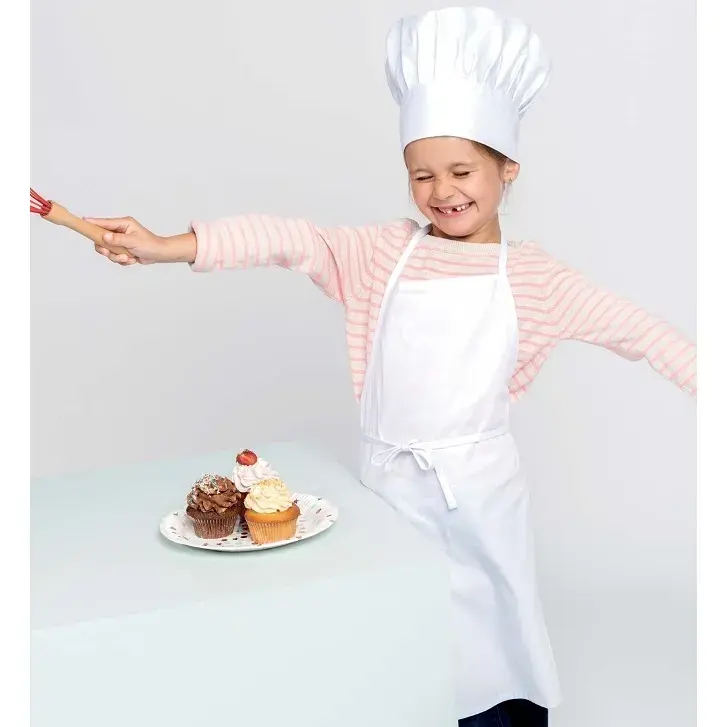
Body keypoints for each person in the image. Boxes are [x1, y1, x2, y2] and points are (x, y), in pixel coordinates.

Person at [85, 7, 696, 726]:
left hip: (479, 494)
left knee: (494, 634)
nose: (442, 191)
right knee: (406, 637)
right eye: (421, 175)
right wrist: (167, 245)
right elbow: (287, 239)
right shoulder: (381, 254)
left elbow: (643, 333)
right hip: (390, 491)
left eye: (462, 171)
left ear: (507, 170)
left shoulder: (535, 279)